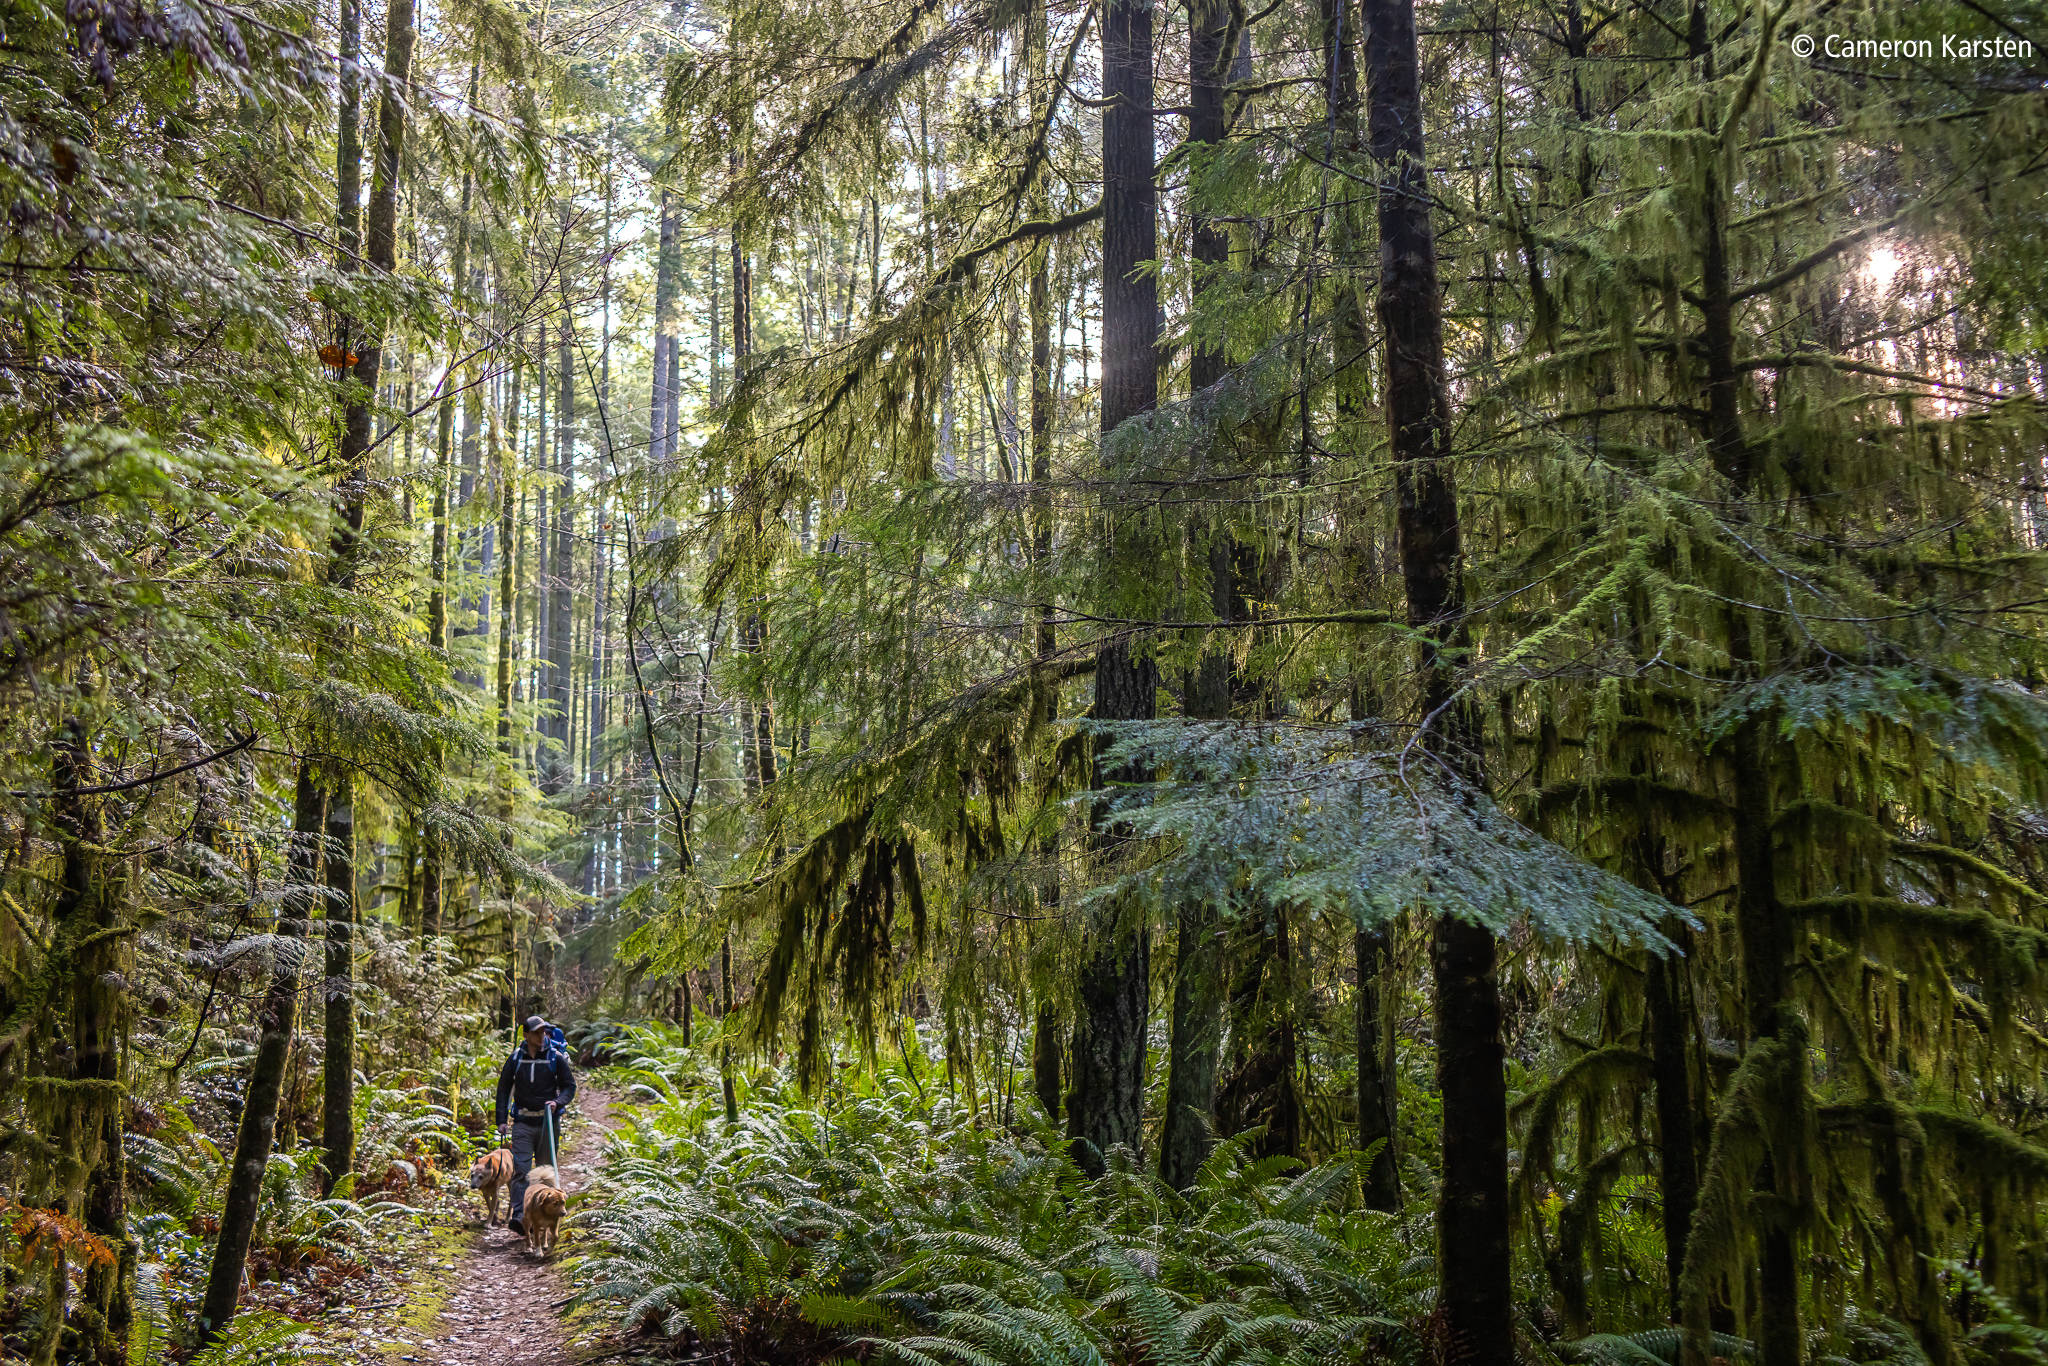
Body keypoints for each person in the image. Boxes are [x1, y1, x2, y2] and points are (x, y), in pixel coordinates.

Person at [494, 1015, 576, 1237]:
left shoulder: (555, 1058)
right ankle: (520, 1216)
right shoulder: (515, 1059)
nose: (542, 1036)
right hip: (521, 1122)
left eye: (544, 1032)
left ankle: (546, 1218)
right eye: (537, 1032)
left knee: (545, 1172)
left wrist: (557, 1102)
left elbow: (569, 1087)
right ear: (526, 1035)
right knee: (520, 1170)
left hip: (548, 1123)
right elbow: (503, 1089)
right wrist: (501, 1120)